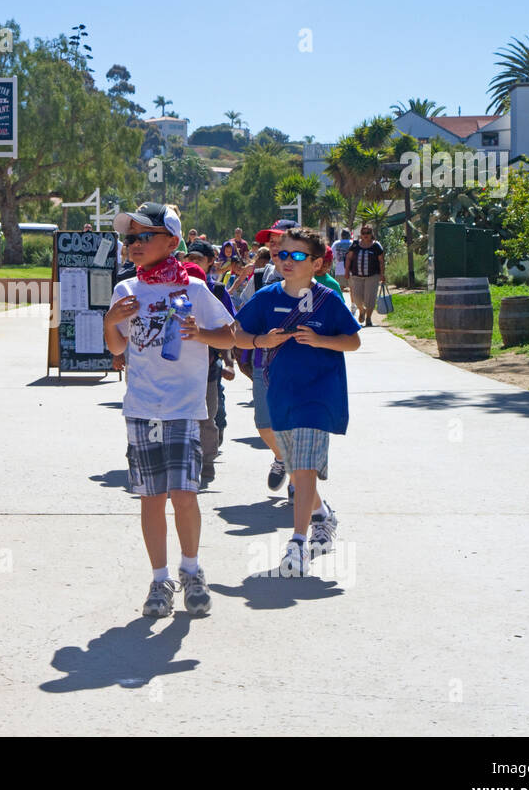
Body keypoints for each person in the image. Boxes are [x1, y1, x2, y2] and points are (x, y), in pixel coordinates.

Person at [104, 203, 235, 617]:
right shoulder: (126, 291)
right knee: (151, 497)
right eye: (130, 238)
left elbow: (231, 335)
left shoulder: (195, 290)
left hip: (182, 408)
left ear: (173, 242)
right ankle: (159, 580)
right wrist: (111, 322)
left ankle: (191, 571)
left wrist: (203, 333)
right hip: (142, 408)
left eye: (145, 236)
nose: (134, 245)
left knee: (184, 494)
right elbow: (117, 347)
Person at [231, 227, 361, 575]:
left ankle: (298, 543)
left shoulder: (329, 300)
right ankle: (323, 514)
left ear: (317, 263)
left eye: (298, 256)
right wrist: (261, 342)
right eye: (283, 254)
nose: (287, 261)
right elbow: (237, 334)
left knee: (302, 468)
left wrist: (321, 341)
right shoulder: (267, 296)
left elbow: (352, 342)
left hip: (319, 396)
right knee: (295, 465)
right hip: (281, 394)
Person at [183, 240, 236, 485]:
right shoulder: (172, 291)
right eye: (189, 258)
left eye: (198, 259)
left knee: (208, 416)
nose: (192, 262)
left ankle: (207, 463)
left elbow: (229, 330)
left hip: (208, 366)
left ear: (209, 262)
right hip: (178, 369)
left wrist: (229, 362)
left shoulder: (216, 291)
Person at [345, 224, 386, 326]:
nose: (365, 235)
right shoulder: (355, 245)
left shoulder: (376, 246)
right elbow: (349, 258)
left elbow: (381, 261)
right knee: (356, 297)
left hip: (372, 277)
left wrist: (382, 274)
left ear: (371, 234)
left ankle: (368, 318)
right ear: (361, 234)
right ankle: (361, 310)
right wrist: (346, 271)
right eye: (363, 233)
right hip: (356, 276)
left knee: (370, 299)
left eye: (368, 233)